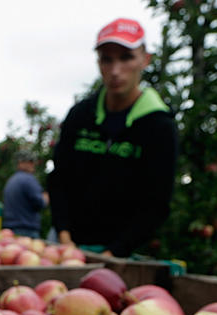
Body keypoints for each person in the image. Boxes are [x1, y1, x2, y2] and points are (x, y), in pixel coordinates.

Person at [48, 18, 178, 257]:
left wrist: (114, 253)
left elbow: (156, 203)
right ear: (99, 63)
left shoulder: (158, 125)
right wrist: (65, 237)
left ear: (144, 60)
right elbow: (59, 180)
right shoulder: (80, 116)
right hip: (67, 247)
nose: (115, 71)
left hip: (121, 254)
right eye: (107, 59)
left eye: (126, 57)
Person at [2, 149, 49, 239]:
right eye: (30, 161)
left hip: (10, 231)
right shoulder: (28, 179)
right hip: (27, 232)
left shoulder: (11, 180)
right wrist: (46, 196)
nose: (33, 164)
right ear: (21, 163)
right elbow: (40, 203)